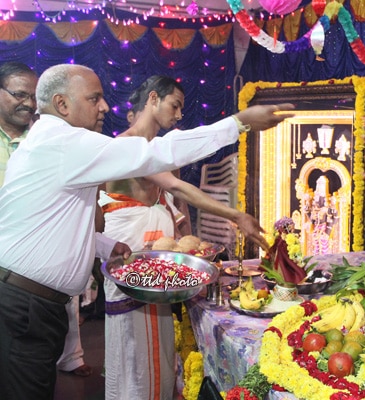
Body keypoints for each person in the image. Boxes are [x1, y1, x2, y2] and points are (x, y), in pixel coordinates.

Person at [0, 63, 293, 400]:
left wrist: (103, 245)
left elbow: (48, 221)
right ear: (62, 104)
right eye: (94, 98)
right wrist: (239, 122)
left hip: (30, 303)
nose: (105, 107)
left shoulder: (53, 143)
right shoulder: (66, 143)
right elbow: (156, 156)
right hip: (25, 305)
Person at [100, 75, 271, 400]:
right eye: (174, 105)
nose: (179, 115)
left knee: (161, 350)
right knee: (134, 351)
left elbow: (174, 203)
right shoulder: (127, 146)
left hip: (157, 264)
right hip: (131, 262)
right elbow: (179, 189)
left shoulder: (157, 151)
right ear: (153, 99)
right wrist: (236, 216)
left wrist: (186, 244)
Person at [0, 61, 93, 379]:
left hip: (29, 291)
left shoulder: (46, 142)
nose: (27, 102)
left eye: (33, 95)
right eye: (18, 93)